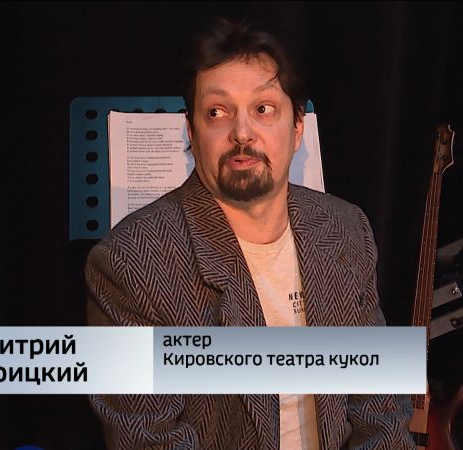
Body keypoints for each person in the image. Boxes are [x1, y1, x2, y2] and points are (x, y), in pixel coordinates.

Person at [85, 18, 414, 450]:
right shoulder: (131, 262)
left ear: (297, 127)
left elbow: (380, 407)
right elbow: (147, 440)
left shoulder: (346, 229)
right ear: (192, 132)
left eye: (263, 109)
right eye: (217, 112)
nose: (241, 133)